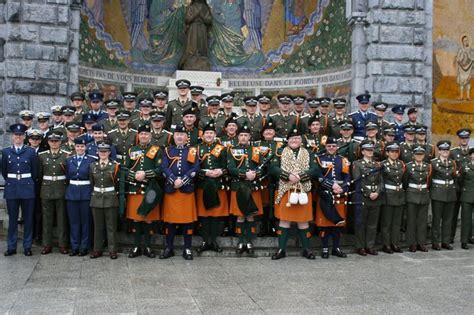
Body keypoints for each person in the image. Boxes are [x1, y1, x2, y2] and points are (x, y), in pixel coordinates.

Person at [270, 127, 319, 260]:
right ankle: (281, 249)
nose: (294, 140)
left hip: (303, 189)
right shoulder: (279, 152)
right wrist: (288, 176)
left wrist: (301, 176)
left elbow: (315, 169)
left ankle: (306, 249)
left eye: (297, 138)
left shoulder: (309, 153)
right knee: (284, 220)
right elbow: (273, 168)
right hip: (285, 189)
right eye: (292, 138)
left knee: (303, 221)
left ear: (301, 140)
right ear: (288, 140)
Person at [160, 124, 200, 260]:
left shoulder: (192, 151)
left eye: (182, 135)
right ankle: (168, 248)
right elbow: (164, 167)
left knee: (188, 221)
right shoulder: (167, 151)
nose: (179, 137)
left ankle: (187, 248)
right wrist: (173, 179)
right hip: (171, 190)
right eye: (177, 134)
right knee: (170, 221)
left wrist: (183, 180)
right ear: (174, 136)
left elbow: (195, 168)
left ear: (186, 137)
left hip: (186, 189)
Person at [125, 123, 162, 259]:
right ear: (138, 136)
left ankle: (147, 246)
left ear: (150, 136)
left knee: (148, 219)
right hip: (135, 189)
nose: (144, 136)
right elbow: (125, 169)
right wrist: (134, 175)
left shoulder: (156, 150)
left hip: (150, 189)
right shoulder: (131, 150)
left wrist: (145, 174)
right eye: (141, 134)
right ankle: (136, 246)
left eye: (146, 134)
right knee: (136, 219)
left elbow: (159, 170)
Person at [227, 124, 264, 256]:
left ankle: (249, 243)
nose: (243, 137)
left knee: (250, 215)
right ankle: (240, 242)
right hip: (238, 187)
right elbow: (230, 167)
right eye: (241, 135)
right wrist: (244, 174)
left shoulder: (255, 150)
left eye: (246, 135)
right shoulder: (231, 150)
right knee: (240, 216)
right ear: (238, 137)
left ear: (249, 137)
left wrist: (255, 174)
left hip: (252, 187)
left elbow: (262, 167)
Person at [2, 124, 38, 256]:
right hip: (12, 188)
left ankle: (27, 246)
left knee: (28, 218)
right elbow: (4, 171)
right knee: (12, 219)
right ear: (13, 137)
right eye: (16, 135)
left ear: (24, 136)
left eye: (20, 135)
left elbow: (35, 172)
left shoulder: (30, 152)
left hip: (27, 187)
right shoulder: (6, 152)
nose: (18, 137)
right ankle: (11, 246)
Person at [315, 137, 351, 258]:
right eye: (329, 146)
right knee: (325, 223)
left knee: (338, 223)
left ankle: (336, 247)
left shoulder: (343, 160)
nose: (331, 148)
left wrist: (343, 188)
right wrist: (331, 186)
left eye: (333, 146)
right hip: (325, 193)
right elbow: (319, 176)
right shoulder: (319, 159)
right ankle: (325, 248)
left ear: (337, 147)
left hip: (340, 194)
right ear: (325, 147)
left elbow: (347, 177)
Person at [195, 120, 228, 253]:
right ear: (203, 135)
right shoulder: (196, 148)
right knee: (203, 215)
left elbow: (228, 166)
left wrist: (221, 171)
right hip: (203, 185)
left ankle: (213, 241)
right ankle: (204, 241)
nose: (209, 135)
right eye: (207, 133)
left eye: (211, 133)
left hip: (217, 185)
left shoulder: (222, 148)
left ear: (215, 135)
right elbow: (193, 167)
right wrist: (205, 172)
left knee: (215, 215)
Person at [38, 131, 69, 255]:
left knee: (62, 219)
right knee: (47, 219)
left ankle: (63, 245)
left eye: (56, 141)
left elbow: (68, 174)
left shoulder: (66, 155)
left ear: (60, 142)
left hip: (61, 188)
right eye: (52, 141)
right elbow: (39, 175)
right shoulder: (42, 156)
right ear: (48, 142)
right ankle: (46, 245)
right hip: (46, 189)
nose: (54, 143)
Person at [352, 140, 384, 256]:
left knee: (372, 224)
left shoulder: (378, 164)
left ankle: (370, 246)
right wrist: (369, 192)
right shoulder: (357, 164)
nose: (370, 152)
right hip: (363, 196)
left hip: (376, 195)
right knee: (361, 223)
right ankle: (360, 246)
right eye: (368, 150)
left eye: (372, 150)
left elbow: (381, 181)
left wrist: (377, 192)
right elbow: (357, 180)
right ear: (363, 151)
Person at [89, 141, 120, 259]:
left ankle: (112, 250)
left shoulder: (115, 166)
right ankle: (97, 249)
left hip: (110, 197)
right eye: (100, 151)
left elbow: (116, 183)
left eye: (105, 151)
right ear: (97, 152)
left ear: (109, 152)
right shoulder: (93, 166)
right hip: (96, 198)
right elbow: (92, 182)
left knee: (111, 226)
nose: (103, 153)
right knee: (98, 226)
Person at [65, 137, 95, 257]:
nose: (80, 148)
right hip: (72, 193)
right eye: (78, 146)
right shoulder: (69, 160)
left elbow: (92, 179)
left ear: (86, 147)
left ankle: (84, 246)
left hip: (86, 193)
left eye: (82, 146)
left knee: (85, 222)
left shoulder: (91, 160)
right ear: (75, 147)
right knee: (74, 222)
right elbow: (67, 176)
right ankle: (75, 246)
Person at [430, 140, 458, 250]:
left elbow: (454, 177)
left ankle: (445, 241)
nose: (445, 152)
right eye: (443, 150)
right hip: (438, 193)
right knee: (436, 219)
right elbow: (429, 179)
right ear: (439, 151)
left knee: (448, 219)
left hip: (450, 193)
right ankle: (435, 242)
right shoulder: (433, 163)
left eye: (447, 150)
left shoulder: (452, 163)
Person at [403, 146, 431, 252]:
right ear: (413, 155)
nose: (419, 156)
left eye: (421, 154)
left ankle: (421, 243)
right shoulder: (408, 166)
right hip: (411, 194)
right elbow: (405, 181)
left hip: (424, 195)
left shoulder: (428, 166)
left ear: (424, 156)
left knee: (422, 221)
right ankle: (412, 243)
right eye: (417, 154)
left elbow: (429, 181)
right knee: (411, 220)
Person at [380, 142, 406, 254]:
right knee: (387, 222)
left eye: (396, 152)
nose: (394, 154)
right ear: (387, 153)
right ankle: (386, 244)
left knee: (396, 222)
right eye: (392, 152)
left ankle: (394, 243)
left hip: (399, 194)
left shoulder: (401, 164)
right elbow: (380, 180)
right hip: (388, 195)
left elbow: (404, 180)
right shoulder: (382, 164)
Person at [459, 148, 474, 249]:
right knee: (466, 219)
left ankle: (472, 237)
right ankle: (464, 241)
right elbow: (460, 180)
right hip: (467, 195)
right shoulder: (465, 166)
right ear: (470, 156)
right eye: (473, 154)